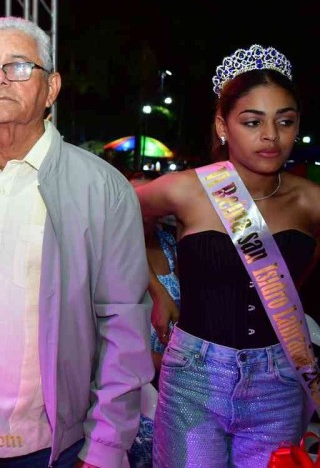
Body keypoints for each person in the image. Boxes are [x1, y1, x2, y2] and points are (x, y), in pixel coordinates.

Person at [0, 16, 153, 468]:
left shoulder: (102, 190)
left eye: (18, 66)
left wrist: (104, 448)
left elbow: (123, 327)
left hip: (44, 449)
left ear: (51, 87)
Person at [136, 44, 320, 467]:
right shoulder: (185, 189)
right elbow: (117, 216)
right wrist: (156, 289)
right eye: (252, 122)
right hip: (195, 376)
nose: (271, 136)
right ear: (223, 125)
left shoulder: (311, 201)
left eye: (285, 121)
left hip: (280, 380)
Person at [128, 172, 181, 468]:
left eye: (148, 202)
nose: (142, 210)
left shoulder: (171, 244)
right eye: (134, 201)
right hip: (128, 376)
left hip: (171, 376)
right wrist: (155, 361)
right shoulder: (111, 249)